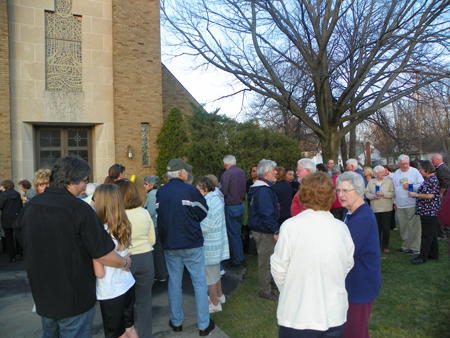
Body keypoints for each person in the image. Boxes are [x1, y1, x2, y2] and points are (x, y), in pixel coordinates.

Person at [16, 155, 131, 338]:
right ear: (72, 181)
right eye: (85, 180)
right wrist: (125, 263)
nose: (86, 185)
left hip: (43, 294)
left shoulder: (31, 206)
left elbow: (21, 238)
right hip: (74, 298)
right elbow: (104, 254)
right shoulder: (80, 210)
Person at [271, 172, 354, 338]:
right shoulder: (341, 228)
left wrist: (291, 290)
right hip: (330, 314)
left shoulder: (290, 227)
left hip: (299, 315)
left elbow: (278, 268)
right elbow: (347, 264)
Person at [156, 158, 215, 336]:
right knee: (198, 282)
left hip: (170, 244)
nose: (189, 173)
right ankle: (203, 324)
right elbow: (203, 212)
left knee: (174, 282)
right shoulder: (190, 190)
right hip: (191, 243)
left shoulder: (161, 192)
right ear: (181, 172)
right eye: (187, 171)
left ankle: (176, 322)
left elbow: (161, 216)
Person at [336, 172, 381, 338]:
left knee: (353, 333)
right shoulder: (350, 212)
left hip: (359, 287)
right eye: (338, 190)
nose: (340, 195)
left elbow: (345, 254)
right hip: (353, 284)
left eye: (346, 190)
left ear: (359, 190)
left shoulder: (362, 218)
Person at [92, 184, 138, 338]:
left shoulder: (100, 232)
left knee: (116, 334)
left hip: (110, 290)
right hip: (127, 283)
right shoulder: (123, 225)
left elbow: (99, 272)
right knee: (130, 328)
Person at [115, 179, 156, 338]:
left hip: (124, 260)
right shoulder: (144, 212)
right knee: (144, 303)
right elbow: (152, 240)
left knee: (123, 304)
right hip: (145, 258)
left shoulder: (116, 215)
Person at [196, 176, 230, 313]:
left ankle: (215, 303)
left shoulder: (209, 202)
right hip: (216, 242)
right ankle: (220, 296)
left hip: (210, 244)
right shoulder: (216, 198)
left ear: (205, 189)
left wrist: (194, 226)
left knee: (209, 277)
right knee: (215, 273)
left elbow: (205, 226)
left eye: (198, 190)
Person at [248, 159, 280, 301]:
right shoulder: (263, 191)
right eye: (274, 170)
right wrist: (275, 230)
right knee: (265, 261)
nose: (276, 172)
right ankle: (264, 290)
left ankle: (269, 284)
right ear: (267, 173)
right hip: (264, 231)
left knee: (269, 259)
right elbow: (267, 214)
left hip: (262, 229)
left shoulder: (261, 188)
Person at [407, 160, 441, 264]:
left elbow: (430, 195)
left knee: (426, 234)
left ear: (426, 169)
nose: (420, 172)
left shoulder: (432, 180)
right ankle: (433, 254)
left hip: (429, 211)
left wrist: (415, 195)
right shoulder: (428, 179)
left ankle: (422, 257)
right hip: (427, 211)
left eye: (421, 170)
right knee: (432, 234)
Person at [393, 154, 423, 255]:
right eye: (402, 164)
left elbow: (422, 185)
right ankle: (405, 246)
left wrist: (411, 186)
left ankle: (415, 248)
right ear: (399, 164)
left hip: (411, 203)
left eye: (406, 163)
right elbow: (394, 188)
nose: (405, 166)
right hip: (400, 204)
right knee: (404, 227)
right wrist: (395, 202)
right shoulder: (396, 173)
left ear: (409, 163)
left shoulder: (415, 172)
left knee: (414, 226)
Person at [219, 155, 247, 268]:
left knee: (233, 234)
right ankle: (240, 257)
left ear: (226, 164)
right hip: (241, 205)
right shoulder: (241, 172)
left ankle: (237, 259)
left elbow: (223, 192)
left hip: (231, 206)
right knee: (237, 233)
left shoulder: (227, 174)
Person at [143, 175, 168, 282]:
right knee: (158, 250)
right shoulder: (156, 193)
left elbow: (151, 211)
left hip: (154, 226)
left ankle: (159, 274)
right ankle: (161, 274)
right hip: (158, 225)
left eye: (145, 184)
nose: (144, 186)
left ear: (151, 185)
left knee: (156, 251)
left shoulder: (152, 195)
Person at [365, 165, 395, 253]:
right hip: (375, 208)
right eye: (381, 172)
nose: (383, 174)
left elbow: (393, 193)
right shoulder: (371, 182)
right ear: (376, 174)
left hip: (386, 208)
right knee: (376, 229)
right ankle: (376, 245)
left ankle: (386, 246)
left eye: (383, 172)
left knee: (386, 228)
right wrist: (373, 196)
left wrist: (384, 194)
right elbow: (366, 193)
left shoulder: (389, 181)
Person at [0, 180, 23, 262]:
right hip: (17, 217)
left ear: (4, 186)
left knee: (9, 238)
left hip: (7, 218)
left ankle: (12, 256)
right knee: (18, 236)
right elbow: (20, 205)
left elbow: (0, 206)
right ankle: (20, 253)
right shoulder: (17, 194)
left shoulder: (3, 195)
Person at [431, 154, 450, 239]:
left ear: (438, 160)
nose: (432, 162)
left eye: (433, 160)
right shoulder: (441, 168)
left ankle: (442, 234)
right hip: (444, 194)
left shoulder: (442, 169)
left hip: (443, 194)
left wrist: (441, 193)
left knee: (441, 213)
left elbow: (444, 183)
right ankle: (445, 233)